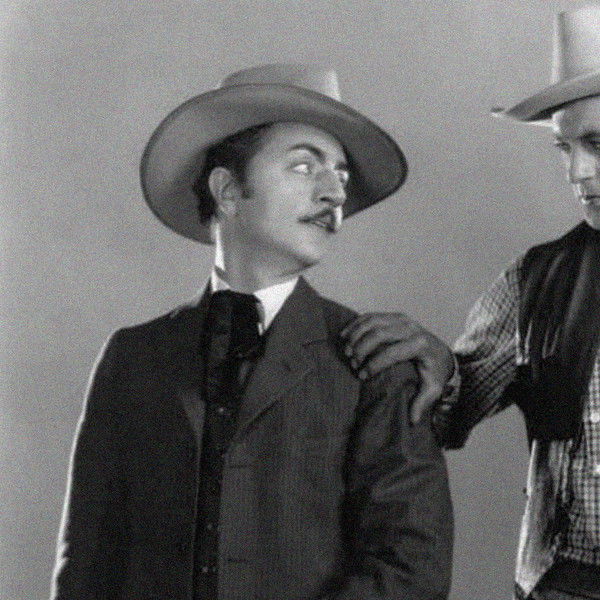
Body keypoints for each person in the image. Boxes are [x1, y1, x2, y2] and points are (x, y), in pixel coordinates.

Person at [50, 64, 453, 600]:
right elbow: (86, 565)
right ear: (227, 189)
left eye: (341, 175)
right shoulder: (133, 357)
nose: (335, 193)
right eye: (305, 166)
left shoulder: (376, 358)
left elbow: (410, 572)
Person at [342, 7, 600, 600]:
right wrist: (436, 366)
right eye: (563, 148)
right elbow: (445, 415)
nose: (576, 172)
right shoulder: (536, 282)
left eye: (596, 143)